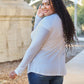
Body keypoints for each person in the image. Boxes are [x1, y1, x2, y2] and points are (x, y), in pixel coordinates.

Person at [9, 0, 77, 84]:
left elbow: (33, 48)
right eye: (43, 4)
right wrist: (38, 18)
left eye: (47, 4)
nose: (44, 7)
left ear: (56, 5)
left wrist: (18, 70)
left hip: (40, 72)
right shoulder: (64, 21)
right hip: (58, 72)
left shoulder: (47, 22)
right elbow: (36, 36)